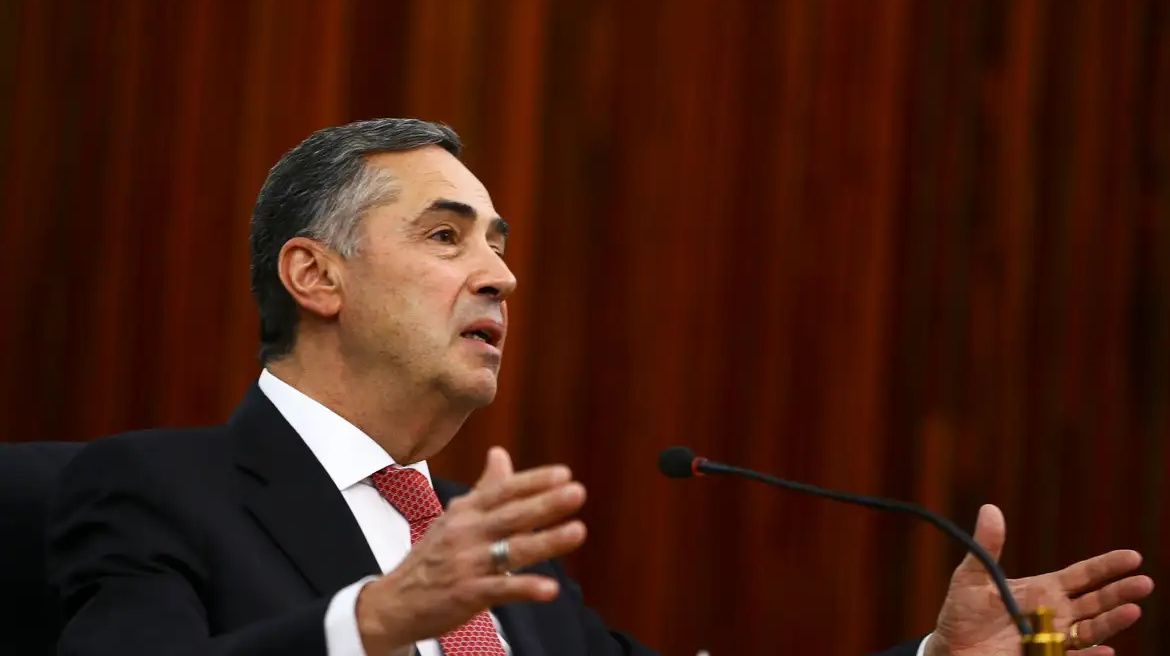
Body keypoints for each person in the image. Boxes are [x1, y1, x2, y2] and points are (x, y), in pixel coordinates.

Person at [47, 119, 1153, 656]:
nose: (501, 274)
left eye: (498, 242)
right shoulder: (157, 489)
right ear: (315, 276)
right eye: (447, 236)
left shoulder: (499, 554)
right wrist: (370, 622)